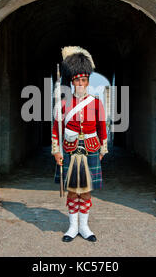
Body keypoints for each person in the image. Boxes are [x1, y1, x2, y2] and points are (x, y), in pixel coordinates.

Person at [51, 46, 108, 242]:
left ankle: (84, 227)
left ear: (88, 81)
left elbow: (102, 127)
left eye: (84, 80)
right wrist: (56, 151)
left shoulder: (96, 102)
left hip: (91, 148)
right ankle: (72, 227)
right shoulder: (64, 103)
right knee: (72, 190)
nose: (80, 83)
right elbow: (56, 129)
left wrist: (103, 148)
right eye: (77, 80)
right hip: (69, 148)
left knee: (86, 190)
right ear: (73, 81)